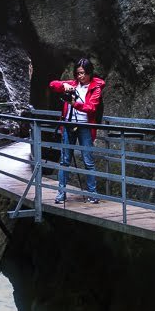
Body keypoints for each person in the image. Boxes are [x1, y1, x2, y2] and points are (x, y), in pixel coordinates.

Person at [49, 57, 106, 204]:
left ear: (89, 73)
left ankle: (93, 194)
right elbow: (52, 84)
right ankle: (61, 194)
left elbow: (91, 107)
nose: (80, 76)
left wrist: (75, 104)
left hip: (85, 126)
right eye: (78, 73)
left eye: (83, 73)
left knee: (88, 161)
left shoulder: (96, 87)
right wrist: (65, 87)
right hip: (69, 125)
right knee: (64, 161)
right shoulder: (73, 84)